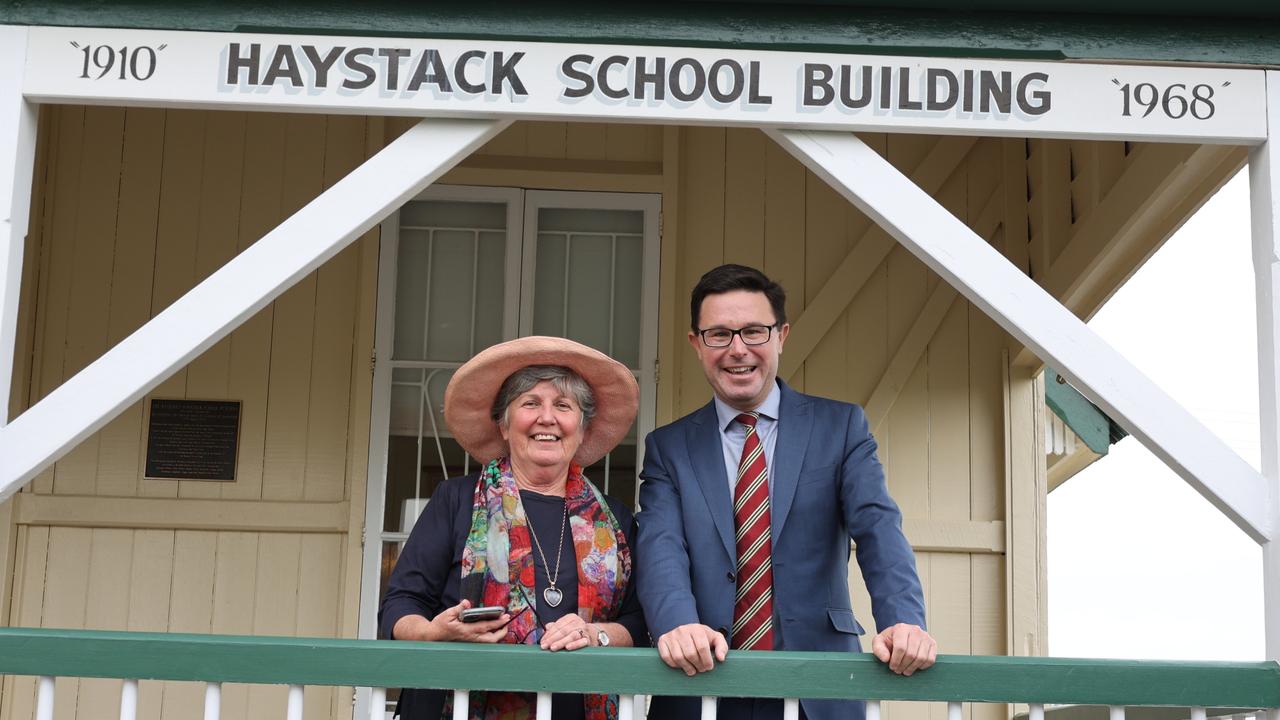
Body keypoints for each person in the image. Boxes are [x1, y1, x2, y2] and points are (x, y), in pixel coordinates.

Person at [636, 264, 937, 720]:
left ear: (781, 335)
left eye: (754, 331)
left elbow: (878, 528)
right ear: (697, 344)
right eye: (719, 334)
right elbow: (660, 547)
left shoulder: (841, 428)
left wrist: (903, 621)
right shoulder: (668, 447)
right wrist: (676, 624)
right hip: (699, 681)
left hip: (819, 685)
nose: (738, 350)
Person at [379, 336, 647, 720]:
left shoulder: (616, 519)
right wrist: (435, 633)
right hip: (453, 706)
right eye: (530, 403)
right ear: (504, 426)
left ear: (583, 430)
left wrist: (595, 634)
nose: (547, 418)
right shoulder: (456, 500)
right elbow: (400, 605)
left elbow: (638, 622)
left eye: (563, 406)